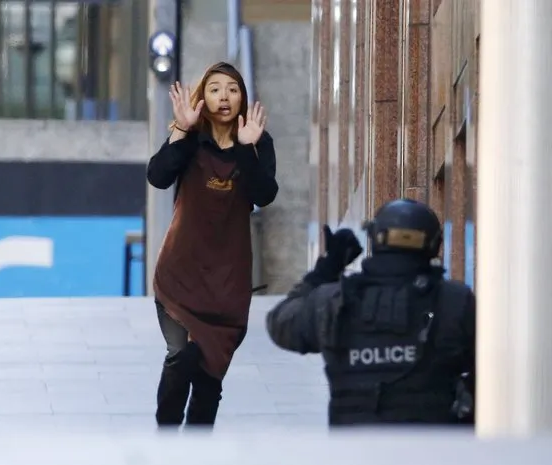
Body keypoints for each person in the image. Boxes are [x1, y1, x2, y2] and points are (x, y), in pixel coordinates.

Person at [147, 61, 278, 428]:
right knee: (181, 355)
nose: (224, 96)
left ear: (243, 98)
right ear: (203, 96)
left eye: (233, 89)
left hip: (228, 281)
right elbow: (157, 177)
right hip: (181, 274)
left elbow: (264, 195)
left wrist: (247, 150)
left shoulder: (257, 141)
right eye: (216, 88)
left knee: (210, 375)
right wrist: (179, 131)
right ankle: (166, 441)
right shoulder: (188, 139)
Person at [265, 198, 475, 426]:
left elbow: (281, 324)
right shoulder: (456, 302)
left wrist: (327, 268)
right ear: (434, 245)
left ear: (374, 239)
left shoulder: (334, 301)